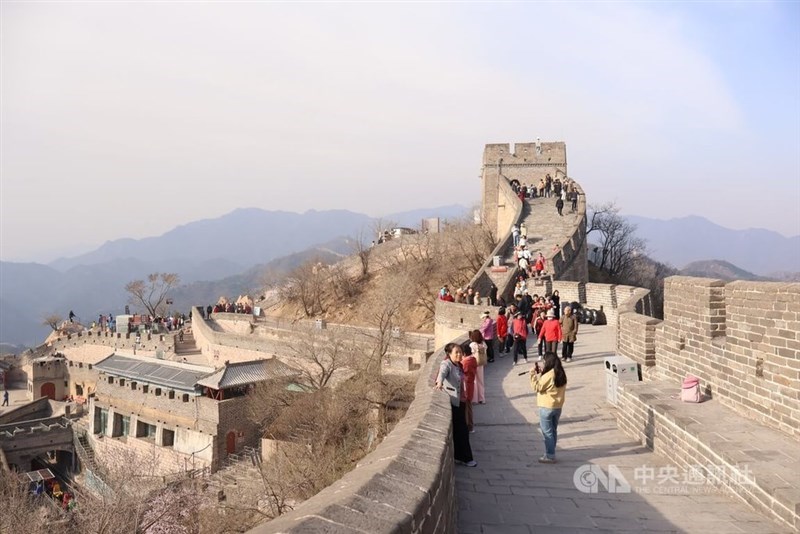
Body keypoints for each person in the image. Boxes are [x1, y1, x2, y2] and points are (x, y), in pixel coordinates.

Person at [434, 343, 477, 467]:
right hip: (453, 403)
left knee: (459, 430)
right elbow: (442, 373)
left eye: (460, 352)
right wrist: (439, 383)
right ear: (449, 354)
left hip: (460, 401)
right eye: (456, 352)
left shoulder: (458, 364)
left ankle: (458, 456)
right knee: (462, 430)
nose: (459, 354)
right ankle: (467, 458)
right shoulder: (446, 364)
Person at [530, 352, 567, 463]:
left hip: (546, 406)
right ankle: (551, 451)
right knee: (553, 430)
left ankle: (550, 455)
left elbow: (537, 387)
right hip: (558, 406)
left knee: (547, 432)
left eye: (544, 361)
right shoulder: (561, 373)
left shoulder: (549, 375)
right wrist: (543, 373)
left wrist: (532, 375)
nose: (543, 363)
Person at [460, 342, 477, 432]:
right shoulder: (473, 360)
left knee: (466, 408)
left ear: (464, 353)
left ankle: (469, 426)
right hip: (470, 385)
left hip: (466, 387)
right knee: (468, 407)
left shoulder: (466, 362)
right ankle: (470, 426)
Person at [470, 329, 487, 404]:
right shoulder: (483, 344)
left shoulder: (472, 345)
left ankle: (474, 399)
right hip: (481, 363)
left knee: (474, 381)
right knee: (481, 381)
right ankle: (482, 399)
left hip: (474, 363)